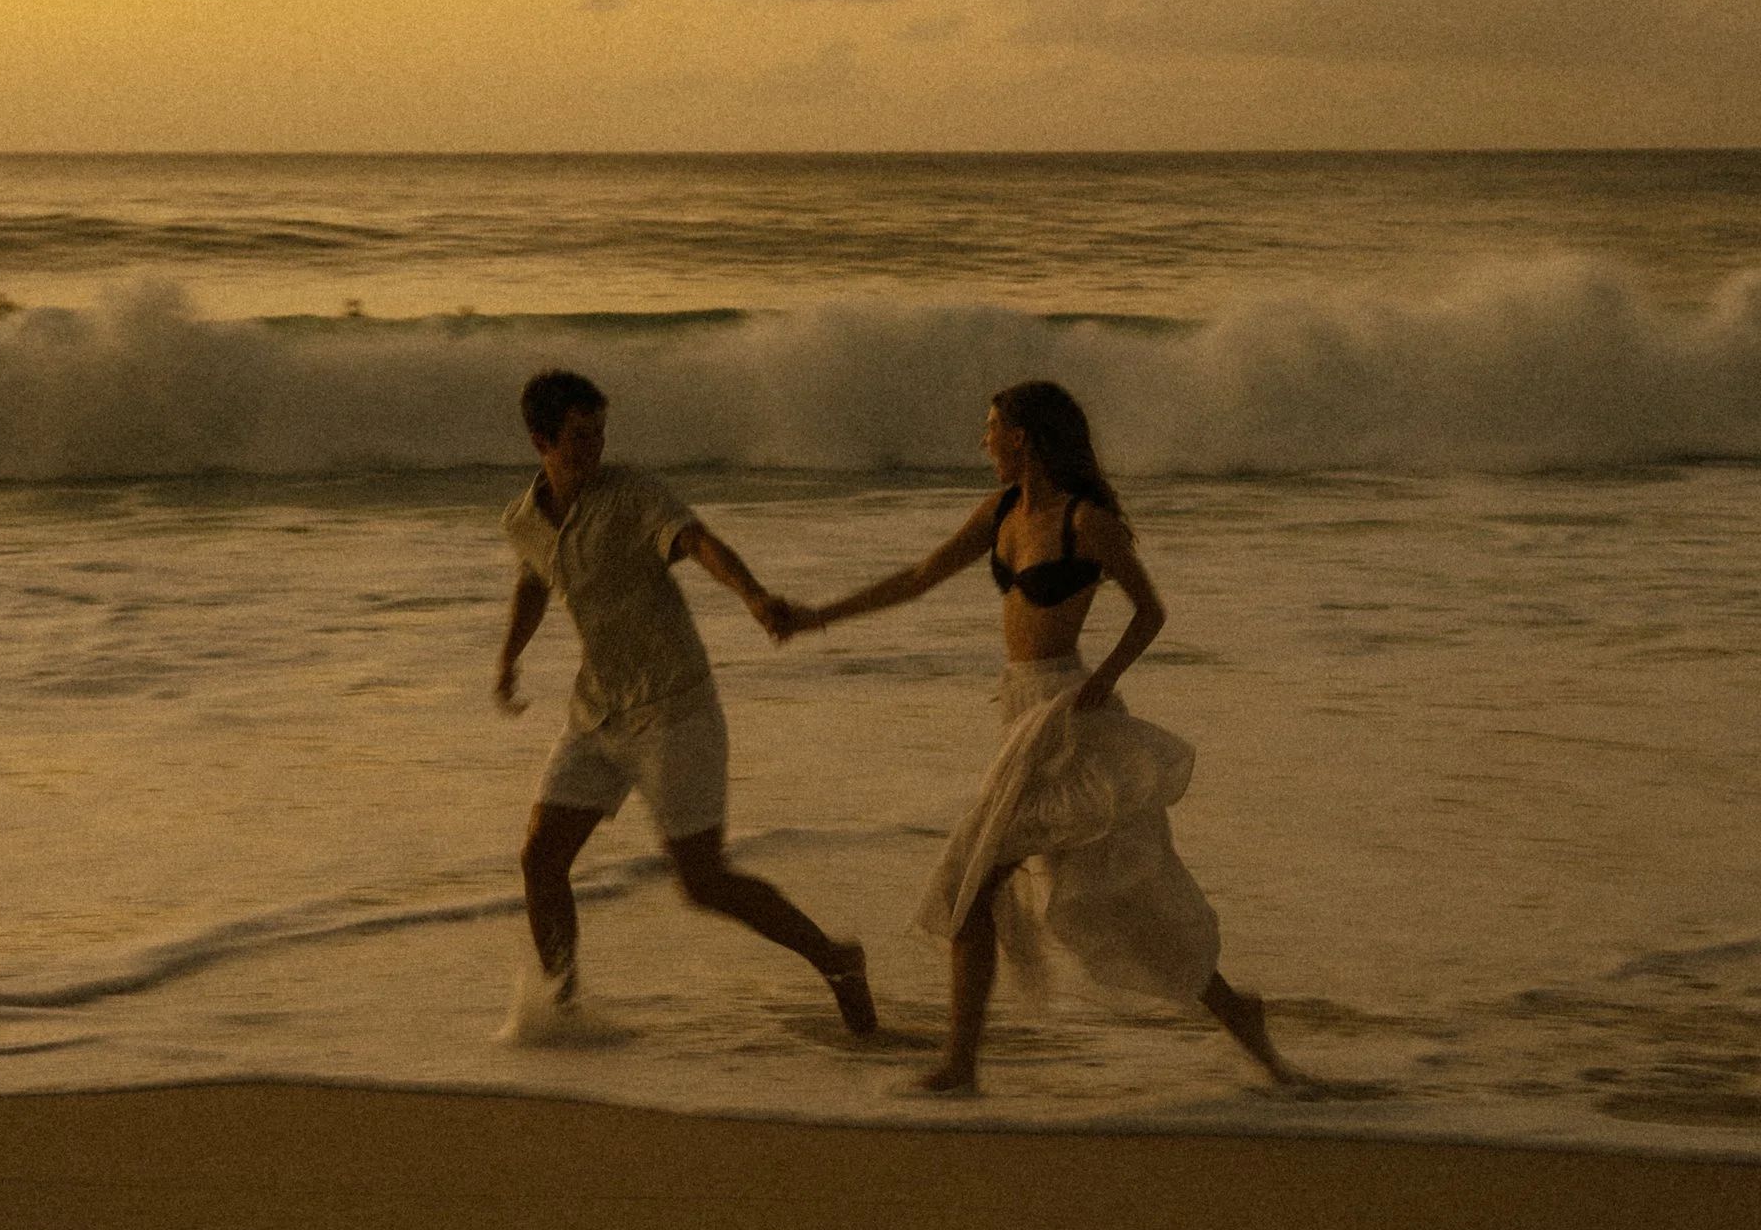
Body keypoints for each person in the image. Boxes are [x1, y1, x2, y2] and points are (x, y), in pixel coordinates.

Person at [777, 378, 1299, 1097]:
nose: (983, 440)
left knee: (1001, 885)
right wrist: (818, 616)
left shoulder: (1086, 521)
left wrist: (1104, 676)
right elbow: (921, 575)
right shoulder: (999, 511)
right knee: (1070, 893)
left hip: (1069, 719)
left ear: (1023, 436)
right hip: (1019, 712)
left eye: (991, 427)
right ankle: (1235, 1012)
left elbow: (1151, 611)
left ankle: (962, 1067)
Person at [497, 367, 876, 1035]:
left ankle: (835, 957)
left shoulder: (634, 493)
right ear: (540, 442)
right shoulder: (524, 519)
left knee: (702, 881)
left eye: (599, 435)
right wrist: (509, 656)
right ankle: (561, 1004)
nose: (594, 449)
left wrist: (756, 595)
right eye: (579, 438)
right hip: (596, 710)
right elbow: (533, 579)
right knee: (540, 856)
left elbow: (698, 542)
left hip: (675, 707)